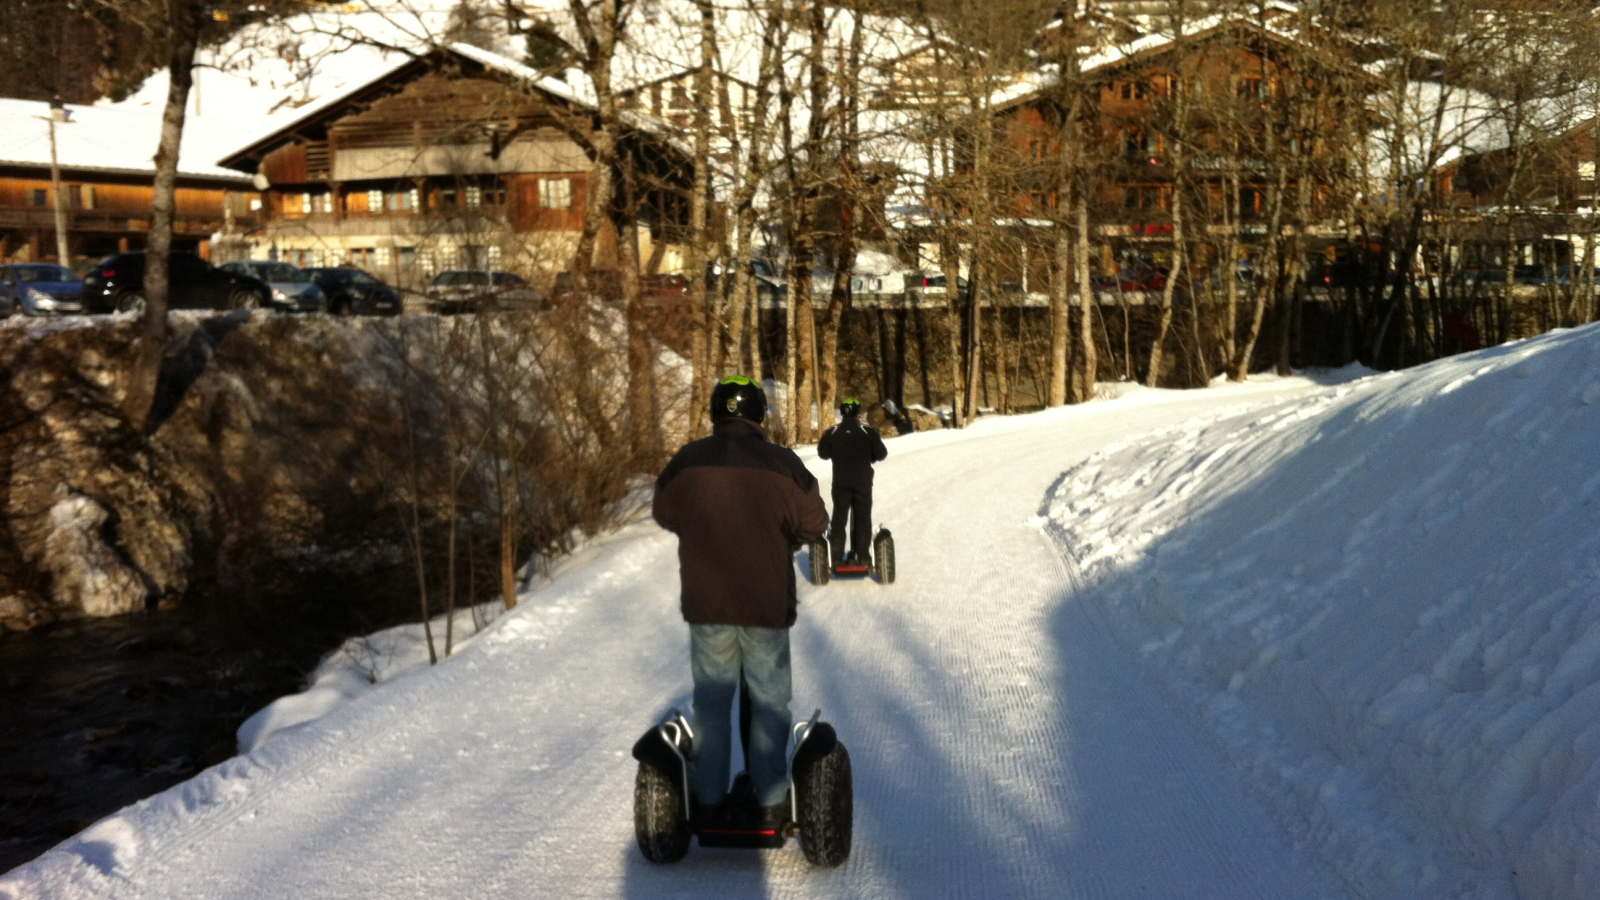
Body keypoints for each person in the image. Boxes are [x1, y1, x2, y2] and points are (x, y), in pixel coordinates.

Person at [652, 375, 830, 826]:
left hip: (707, 604)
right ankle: (770, 798)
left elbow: (664, 512)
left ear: (716, 413)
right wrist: (781, 536)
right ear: (758, 416)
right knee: (769, 701)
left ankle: (709, 799)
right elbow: (815, 522)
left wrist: (700, 524)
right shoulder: (782, 463)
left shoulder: (687, 461)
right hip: (764, 605)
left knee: (711, 704)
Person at [816, 397, 888, 567]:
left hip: (840, 483)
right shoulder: (868, 431)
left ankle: (836, 558)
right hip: (863, 483)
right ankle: (863, 556)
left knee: (839, 519)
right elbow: (882, 453)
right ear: (858, 412)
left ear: (842, 412)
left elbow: (823, 454)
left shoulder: (833, 431)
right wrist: (869, 456)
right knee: (863, 518)